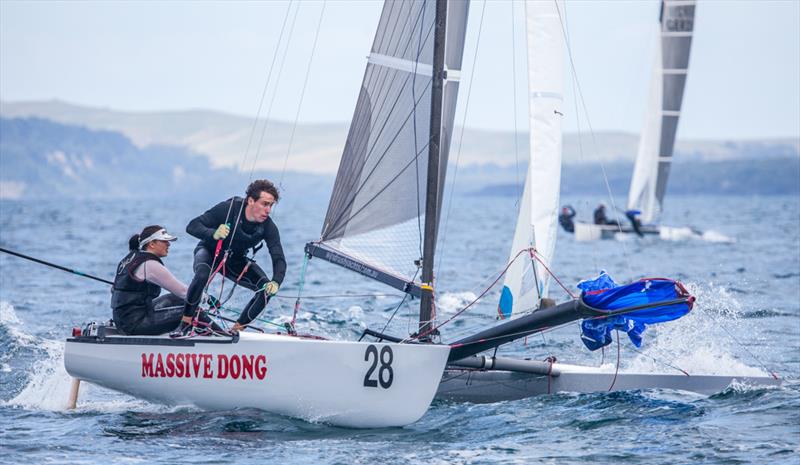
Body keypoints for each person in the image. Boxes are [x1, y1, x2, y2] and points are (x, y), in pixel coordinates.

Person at [177, 179, 286, 335]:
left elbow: (278, 257)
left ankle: (235, 331)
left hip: (236, 261)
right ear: (250, 200)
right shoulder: (228, 209)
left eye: (271, 205)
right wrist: (213, 233)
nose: (268, 210)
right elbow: (192, 225)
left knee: (266, 289)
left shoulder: (268, 227)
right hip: (210, 252)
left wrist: (276, 281)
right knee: (202, 274)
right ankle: (185, 324)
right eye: (264, 204)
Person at [111, 225, 188, 335]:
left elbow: (114, 290)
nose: (168, 244)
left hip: (122, 320)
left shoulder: (131, 258)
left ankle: (185, 333)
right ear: (152, 244)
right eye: (164, 241)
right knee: (194, 311)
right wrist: (207, 299)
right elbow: (183, 292)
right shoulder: (150, 264)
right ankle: (220, 339)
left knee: (175, 299)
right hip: (135, 324)